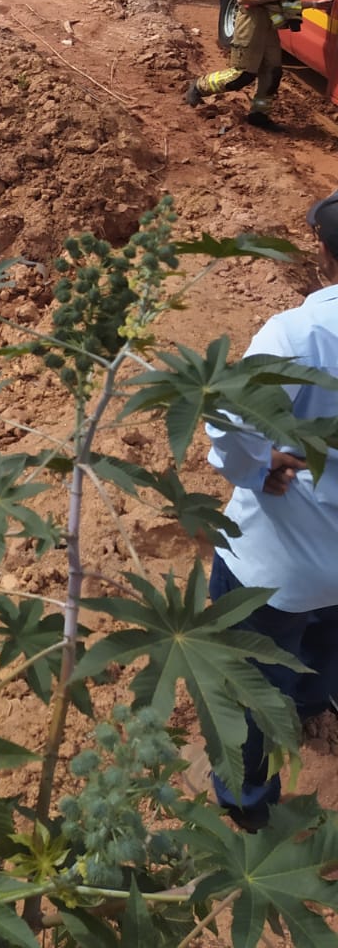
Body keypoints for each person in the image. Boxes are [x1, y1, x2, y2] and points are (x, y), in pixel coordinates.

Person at [204, 191, 338, 828]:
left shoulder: (300, 334)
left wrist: (261, 468)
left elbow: (230, 425)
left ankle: (247, 802)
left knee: (250, 690)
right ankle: (315, 702)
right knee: (325, 638)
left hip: (275, 568)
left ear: (321, 251)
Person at [186, 0, 333, 130]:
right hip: (251, 22)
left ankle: (259, 115)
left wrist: (316, 4)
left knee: (272, 73)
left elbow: (285, 2)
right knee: (242, 74)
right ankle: (198, 88)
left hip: (267, 25)